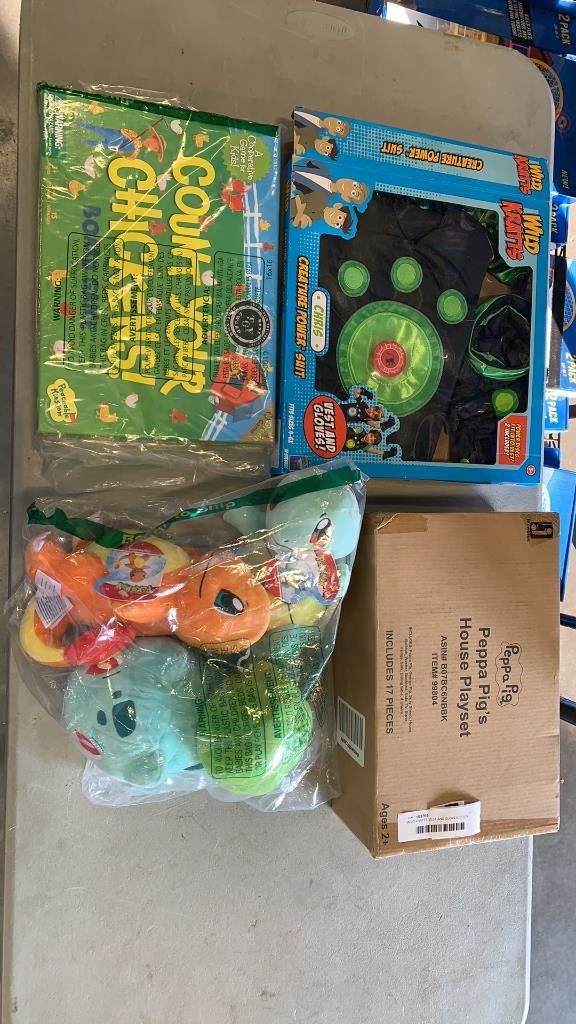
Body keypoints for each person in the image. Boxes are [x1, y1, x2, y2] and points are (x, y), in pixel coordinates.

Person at [292, 162, 369, 205]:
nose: (349, 186)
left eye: (353, 193)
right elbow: (302, 160)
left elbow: (296, 197)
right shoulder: (323, 168)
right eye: (355, 185)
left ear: (346, 198)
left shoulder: (322, 199)